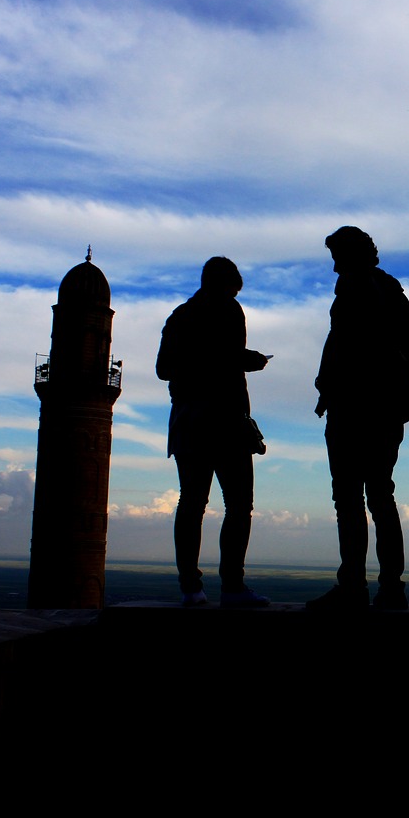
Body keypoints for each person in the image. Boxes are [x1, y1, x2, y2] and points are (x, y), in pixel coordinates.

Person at [306, 227, 409, 613]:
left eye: (338, 255)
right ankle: (389, 589)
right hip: (384, 408)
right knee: (379, 497)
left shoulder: (358, 286)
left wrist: (346, 382)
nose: (334, 264)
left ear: (352, 253)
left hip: (357, 409)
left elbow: (346, 345)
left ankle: (354, 589)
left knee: (350, 499)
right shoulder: (387, 286)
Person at [156, 257, 271, 607]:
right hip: (224, 421)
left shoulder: (179, 316)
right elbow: (226, 359)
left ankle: (191, 588)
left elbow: (164, 369)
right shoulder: (230, 311)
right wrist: (245, 359)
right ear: (226, 285)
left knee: (192, 503)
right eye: (234, 288)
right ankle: (233, 587)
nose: (236, 294)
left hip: (188, 421)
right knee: (238, 505)